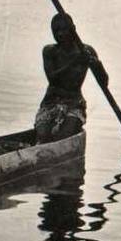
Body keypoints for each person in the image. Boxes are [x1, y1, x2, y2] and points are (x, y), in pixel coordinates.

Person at [34, 12, 108, 143]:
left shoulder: (87, 51)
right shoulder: (50, 51)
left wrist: (97, 65)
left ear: (73, 29)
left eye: (64, 29)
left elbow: (104, 83)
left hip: (74, 104)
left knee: (62, 138)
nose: (60, 34)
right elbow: (53, 79)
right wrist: (75, 61)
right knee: (43, 136)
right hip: (50, 103)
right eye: (56, 31)